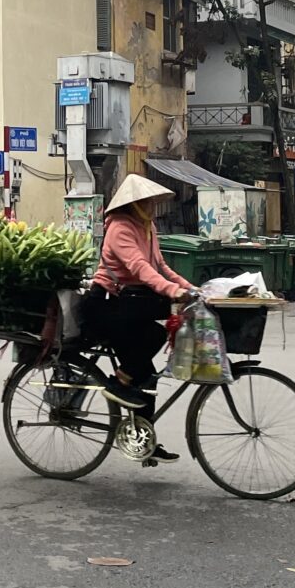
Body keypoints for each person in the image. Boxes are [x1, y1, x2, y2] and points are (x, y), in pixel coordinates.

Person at [81, 175, 198, 464]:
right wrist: (173, 293)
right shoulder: (120, 228)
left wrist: (191, 288)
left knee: (146, 380)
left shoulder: (147, 227)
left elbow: (161, 266)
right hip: (108, 305)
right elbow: (140, 268)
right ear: (134, 204)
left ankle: (143, 443)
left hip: (130, 306)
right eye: (145, 201)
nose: (150, 206)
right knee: (156, 335)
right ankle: (118, 381)